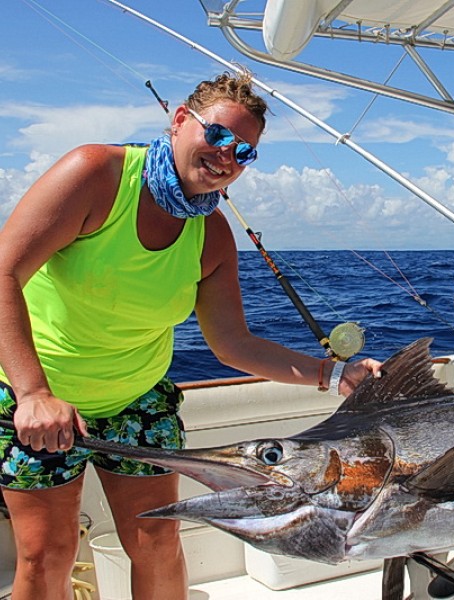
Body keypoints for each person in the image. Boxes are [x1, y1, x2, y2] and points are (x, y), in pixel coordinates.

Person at [0, 70, 382, 600]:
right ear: (180, 120)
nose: (227, 156)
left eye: (244, 152)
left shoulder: (213, 236)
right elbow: (5, 272)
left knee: (158, 539)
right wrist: (34, 392)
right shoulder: (95, 174)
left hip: (136, 399)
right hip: (35, 397)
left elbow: (233, 344)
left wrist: (337, 374)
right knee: (49, 555)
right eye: (219, 135)